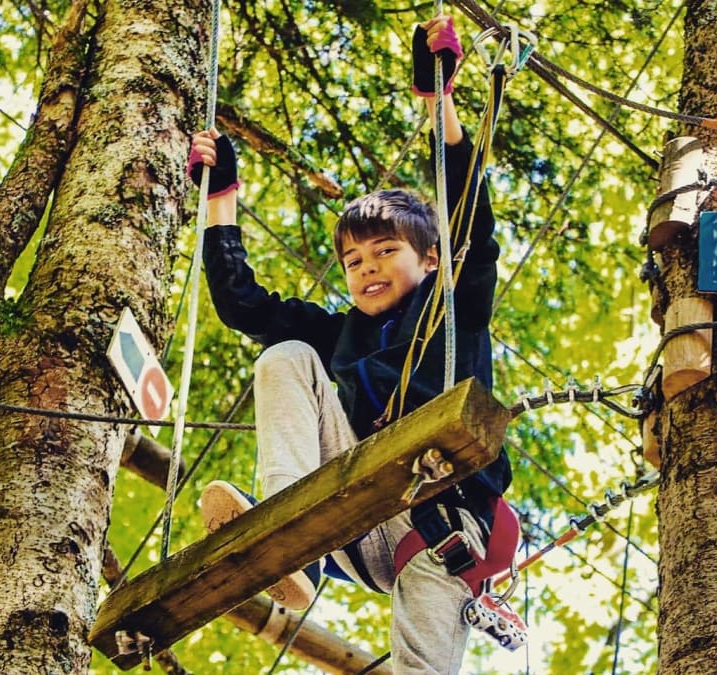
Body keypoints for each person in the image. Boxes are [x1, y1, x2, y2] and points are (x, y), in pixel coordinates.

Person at [188, 15, 514, 674]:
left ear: (430, 260)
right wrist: (221, 198)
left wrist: (440, 104)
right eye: (354, 261)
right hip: (355, 518)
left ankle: (295, 535)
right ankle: (286, 532)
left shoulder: (454, 308)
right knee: (285, 357)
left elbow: (470, 226)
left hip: (440, 527)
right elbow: (243, 305)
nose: (367, 269)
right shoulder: (341, 335)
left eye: (385, 251)